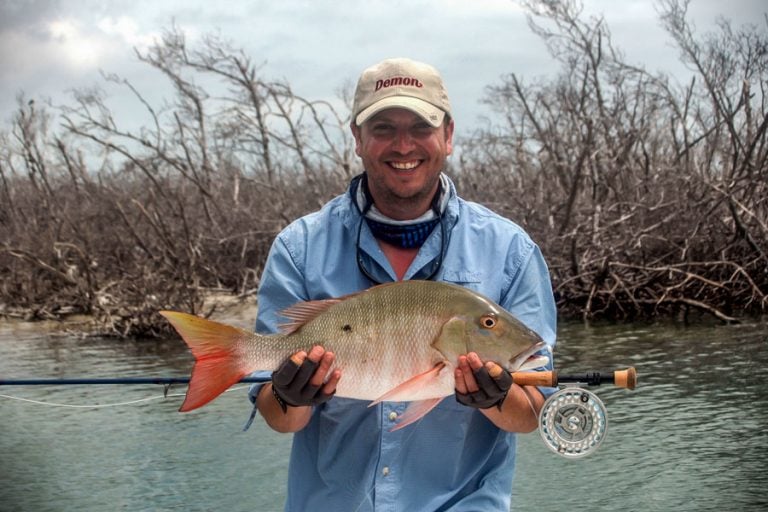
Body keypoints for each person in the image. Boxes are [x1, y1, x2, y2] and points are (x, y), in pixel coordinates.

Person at [248, 57, 557, 511]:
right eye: (383, 128)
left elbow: (529, 414)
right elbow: (281, 418)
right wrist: (289, 394)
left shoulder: (511, 251)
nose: (403, 144)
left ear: (448, 135)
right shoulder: (299, 248)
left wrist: (495, 398)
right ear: (357, 138)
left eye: (420, 126)